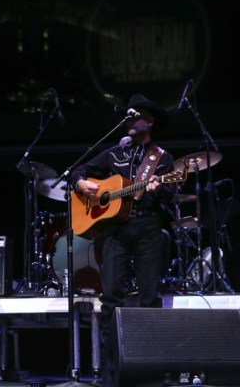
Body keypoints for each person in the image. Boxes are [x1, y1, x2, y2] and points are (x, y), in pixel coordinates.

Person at [71, 94, 175, 379]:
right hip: (115, 230)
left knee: (149, 297)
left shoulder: (162, 158)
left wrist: (160, 188)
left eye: (137, 115)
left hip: (147, 228)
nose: (131, 119)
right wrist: (82, 183)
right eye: (129, 115)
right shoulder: (114, 154)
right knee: (111, 297)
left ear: (150, 122)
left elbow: (171, 193)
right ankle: (111, 367)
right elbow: (78, 171)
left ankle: (151, 368)